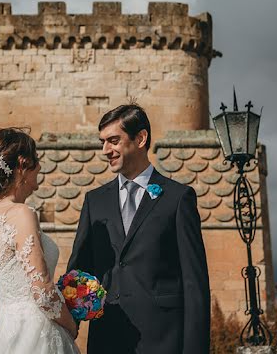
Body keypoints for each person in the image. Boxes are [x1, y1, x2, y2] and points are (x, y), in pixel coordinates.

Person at [67, 104, 210, 354]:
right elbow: (78, 274)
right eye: (103, 142)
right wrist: (66, 328)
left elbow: (194, 284)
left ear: (141, 138)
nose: (105, 150)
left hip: (163, 341)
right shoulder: (95, 201)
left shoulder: (178, 198)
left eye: (113, 141)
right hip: (106, 341)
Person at [0, 127, 80, 354]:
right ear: (23, 164)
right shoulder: (21, 213)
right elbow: (42, 291)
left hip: (4, 330)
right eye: (36, 159)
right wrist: (71, 325)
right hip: (35, 331)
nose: (40, 166)